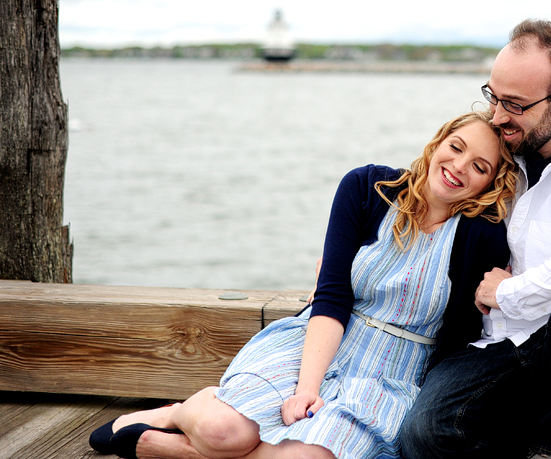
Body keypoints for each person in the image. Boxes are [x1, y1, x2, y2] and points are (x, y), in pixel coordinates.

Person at [88, 111, 519, 459]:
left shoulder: (480, 237)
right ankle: (183, 411)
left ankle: (169, 449)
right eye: (455, 147)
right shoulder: (368, 188)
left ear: (490, 183)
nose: (459, 167)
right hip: (318, 341)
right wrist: (307, 390)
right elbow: (332, 296)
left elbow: (459, 338)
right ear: (438, 142)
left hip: (391, 376)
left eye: (479, 167)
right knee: (225, 433)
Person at [400, 20, 551, 459]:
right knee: (422, 435)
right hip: (499, 351)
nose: (496, 116)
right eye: (493, 96)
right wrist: (351, 246)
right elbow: (431, 184)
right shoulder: (497, 161)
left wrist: (507, 291)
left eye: (513, 103)